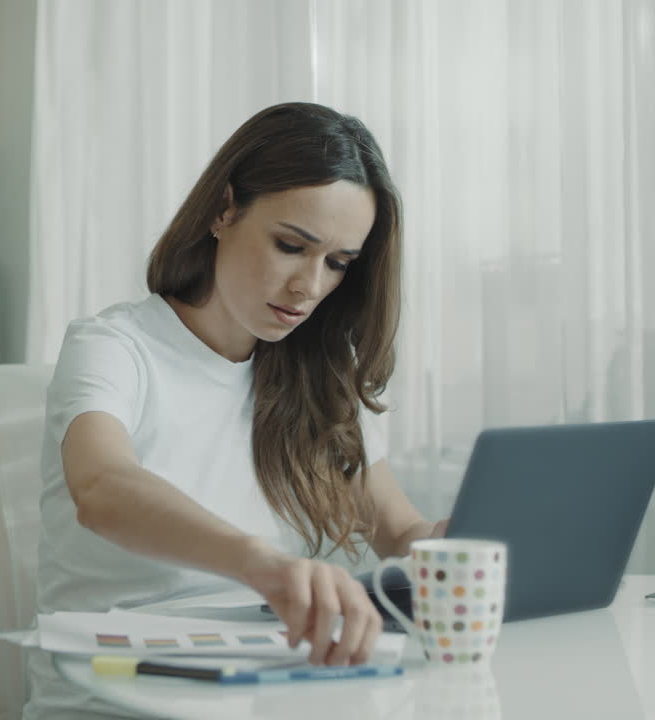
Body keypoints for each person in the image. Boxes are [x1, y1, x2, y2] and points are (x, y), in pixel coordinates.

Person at [26, 102, 446, 720]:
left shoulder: (319, 374)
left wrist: (469, 543)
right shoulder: (115, 347)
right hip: (114, 699)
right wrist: (264, 565)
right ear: (224, 210)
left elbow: (399, 532)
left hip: (265, 691)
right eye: (290, 245)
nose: (310, 286)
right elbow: (102, 486)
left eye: (337, 264)